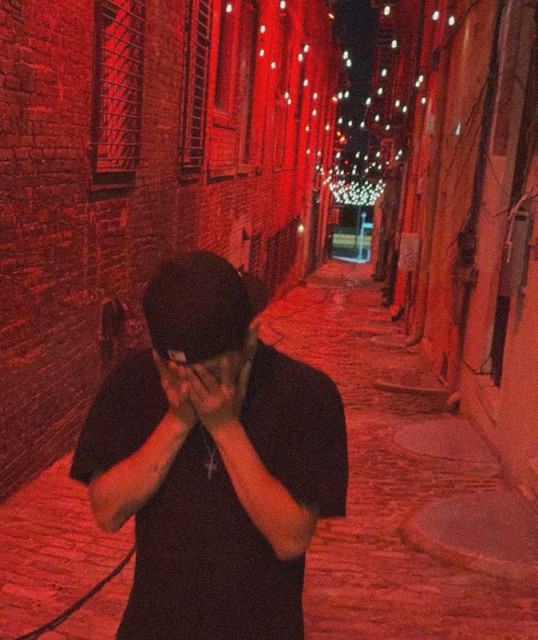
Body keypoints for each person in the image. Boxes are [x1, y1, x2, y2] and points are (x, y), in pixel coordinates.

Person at [70, 250, 348, 640]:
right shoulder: (132, 381)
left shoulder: (306, 395)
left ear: (249, 341)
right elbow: (107, 511)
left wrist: (224, 426)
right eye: (176, 371)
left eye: (210, 372)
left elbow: (290, 538)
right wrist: (178, 420)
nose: (191, 385)